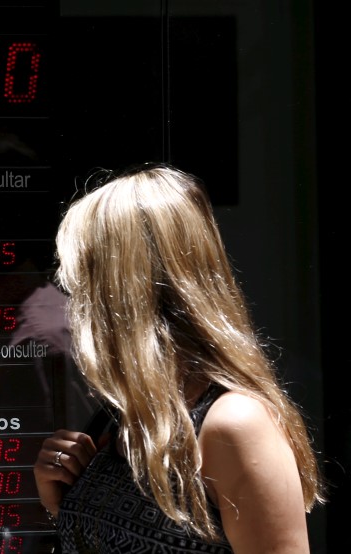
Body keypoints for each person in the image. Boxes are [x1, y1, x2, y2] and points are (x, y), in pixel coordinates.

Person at [33, 163, 326, 553]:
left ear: (119, 294)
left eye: (82, 280)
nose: (70, 301)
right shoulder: (123, 419)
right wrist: (62, 506)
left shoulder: (232, 426)